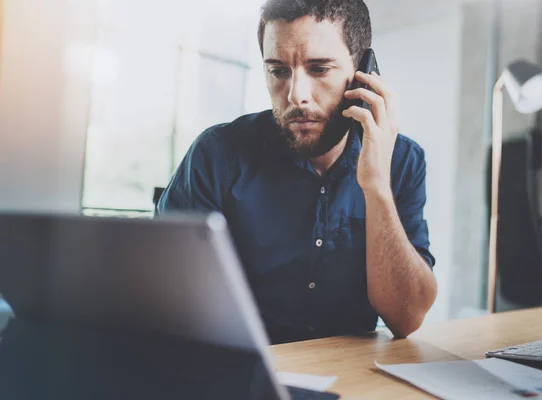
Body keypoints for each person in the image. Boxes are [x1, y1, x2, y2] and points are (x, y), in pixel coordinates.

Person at [157, 0, 437, 344]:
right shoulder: (217, 154)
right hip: (242, 369)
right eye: (278, 71)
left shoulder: (402, 160)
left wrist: (376, 185)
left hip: (353, 378)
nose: (296, 96)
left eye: (319, 69)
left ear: (363, 73)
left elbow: (406, 318)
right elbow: (163, 301)